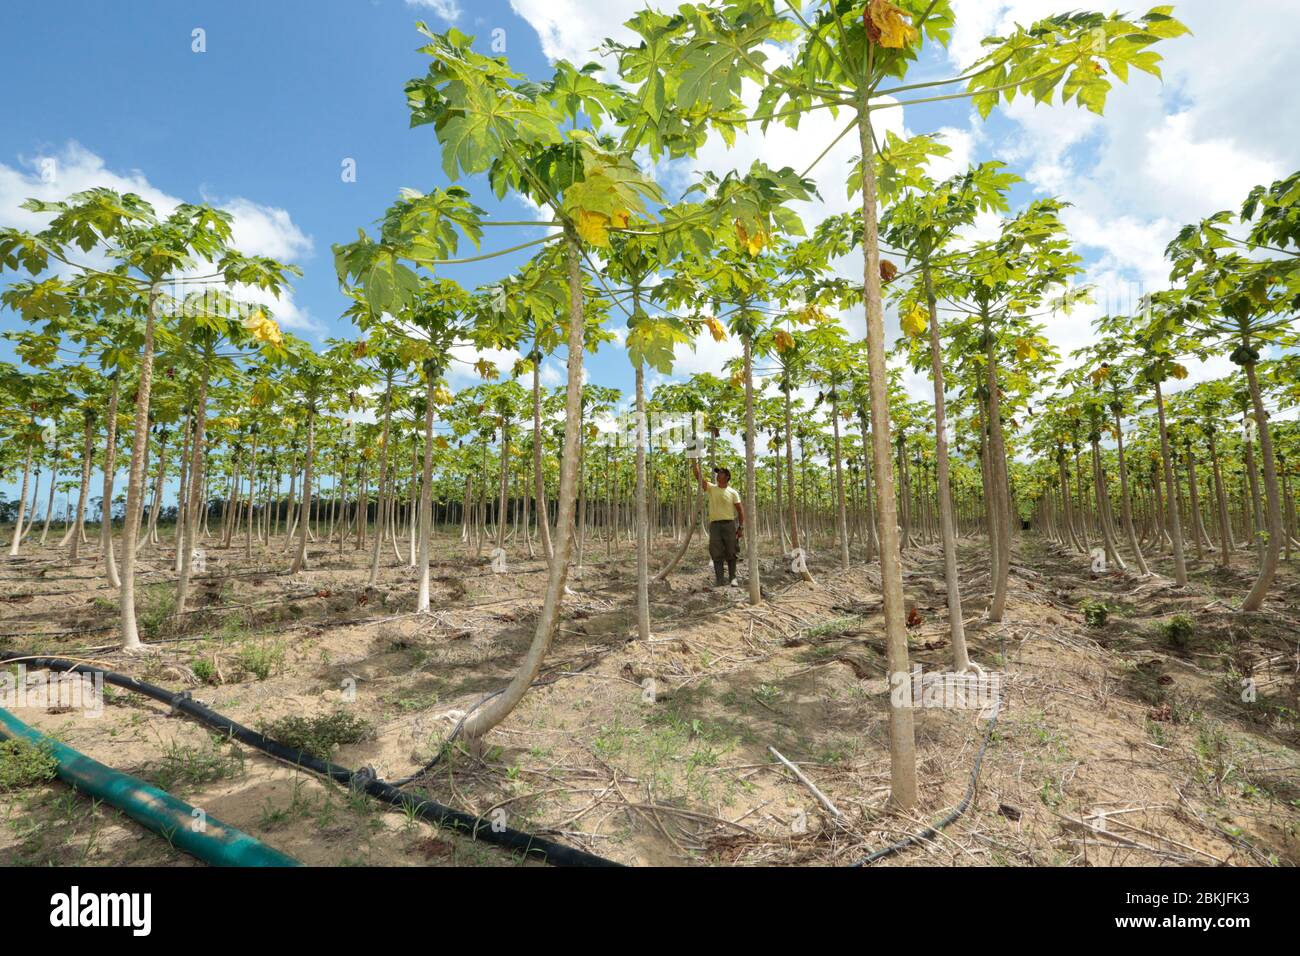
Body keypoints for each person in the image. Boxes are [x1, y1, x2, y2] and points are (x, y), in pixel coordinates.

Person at [692, 459, 745, 587]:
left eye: (720, 473)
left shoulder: (733, 492)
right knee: (716, 552)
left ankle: (733, 578)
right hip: (715, 525)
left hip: (729, 525)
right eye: (717, 473)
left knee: (731, 551)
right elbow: (699, 478)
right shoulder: (711, 488)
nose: (717, 475)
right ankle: (719, 580)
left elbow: (740, 510)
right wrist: (695, 462)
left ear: (727, 476)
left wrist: (740, 527)